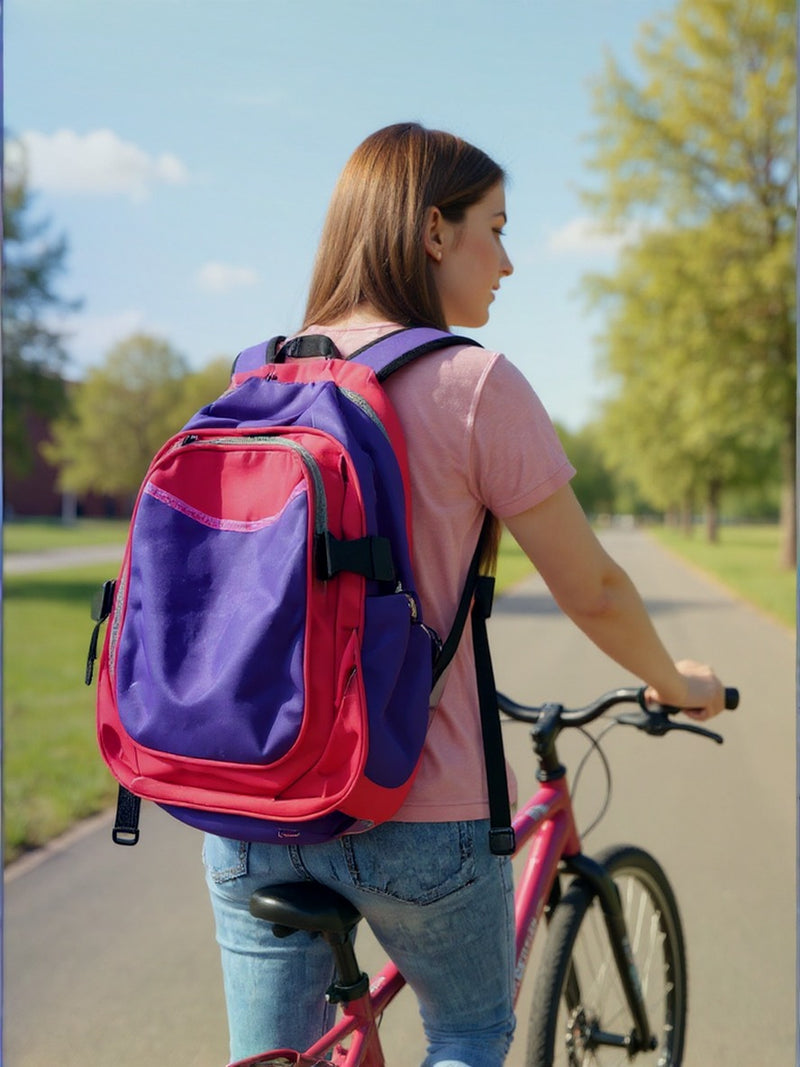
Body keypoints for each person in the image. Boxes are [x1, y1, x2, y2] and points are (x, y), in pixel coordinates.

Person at [203, 122, 726, 1067]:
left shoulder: (257, 374)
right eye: (496, 226)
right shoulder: (473, 382)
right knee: (471, 1030)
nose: (511, 261)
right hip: (416, 804)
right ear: (434, 232)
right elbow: (596, 588)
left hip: (250, 801)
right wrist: (672, 678)